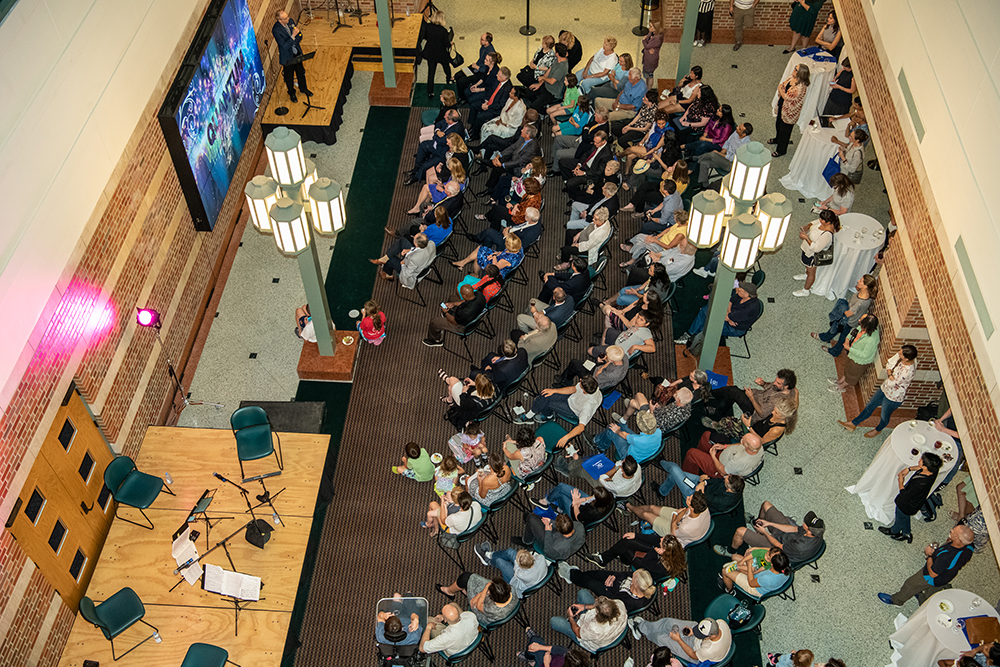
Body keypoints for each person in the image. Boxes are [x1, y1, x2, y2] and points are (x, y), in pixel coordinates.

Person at [877, 524, 975, 606]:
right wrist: (950, 542)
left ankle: (896, 600)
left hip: (931, 577)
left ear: (958, 540)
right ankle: (923, 600)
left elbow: (932, 573)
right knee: (931, 594)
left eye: (954, 531)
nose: (951, 530)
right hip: (945, 577)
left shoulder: (946, 557)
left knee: (910, 585)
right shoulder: (969, 547)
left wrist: (929, 555)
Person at [838, 344, 918, 437]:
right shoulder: (909, 357)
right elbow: (890, 363)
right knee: (869, 406)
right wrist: (890, 373)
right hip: (884, 388)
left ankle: (878, 430)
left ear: (907, 359)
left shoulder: (907, 372)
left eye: (901, 354)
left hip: (893, 398)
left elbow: (892, 384)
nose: (898, 353)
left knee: (884, 417)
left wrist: (890, 375)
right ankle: (853, 424)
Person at [718, 502, 825, 565]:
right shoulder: (815, 532)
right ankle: (757, 526)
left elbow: (779, 546)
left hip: (780, 551)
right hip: (788, 538)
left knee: (740, 531)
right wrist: (769, 523)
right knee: (766, 505)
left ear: (810, 531)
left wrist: (765, 533)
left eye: (806, 523)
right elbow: (794, 529)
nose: (803, 523)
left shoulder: (801, 546)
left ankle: (730, 551)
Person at [515, 377, 603, 450]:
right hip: (571, 398)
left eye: (581, 385)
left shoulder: (588, 405)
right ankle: (546, 416)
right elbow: (573, 389)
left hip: (572, 410)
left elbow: (581, 427)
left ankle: (534, 416)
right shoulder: (591, 384)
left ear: (585, 392)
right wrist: (554, 391)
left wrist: (566, 438)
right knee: (546, 394)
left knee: (546, 403)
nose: (579, 381)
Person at [878, 452, 943, 543]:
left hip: (906, 504)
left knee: (900, 517)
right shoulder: (933, 470)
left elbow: (904, 494)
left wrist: (900, 481)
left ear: (925, 466)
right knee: (905, 516)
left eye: (921, 460)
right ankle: (906, 533)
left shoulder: (921, 484)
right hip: (915, 504)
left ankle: (894, 531)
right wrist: (909, 469)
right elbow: (920, 467)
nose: (919, 460)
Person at [675, 281, 761, 346]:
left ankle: (693, 338)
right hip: (731, 319)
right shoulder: (741, 295)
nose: (738, 290)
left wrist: (728, 317)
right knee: (706, 310)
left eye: (741, 290)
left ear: (746, 294)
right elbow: (730, 301)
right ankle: (691, 334)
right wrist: (729, 315)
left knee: (709, 326)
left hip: (735, 329)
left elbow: (725, 317)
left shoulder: (749, 309)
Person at [586, 532, 687, 584]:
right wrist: (636, 535)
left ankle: (605, 559)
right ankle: (607, 559)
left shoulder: (664, 566)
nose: (660, 538)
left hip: (647, 570)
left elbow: (646, 563)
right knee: (627, 541)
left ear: (664, 550)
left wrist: (654, 552)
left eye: (662, 540)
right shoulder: (673, 548)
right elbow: (653, 539)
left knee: (625, 549)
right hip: (654, 555)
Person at [812, 274, 876, 356]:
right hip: (850, 319)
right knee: (835, 328)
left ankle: (834, 351)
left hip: (849, 322)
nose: (858, 281)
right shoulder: (865, 294)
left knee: (842, 337)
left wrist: (842, 307)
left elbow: (848, 313)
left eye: (861, 281)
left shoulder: (860, 303)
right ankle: (825, 338)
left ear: (866, 286)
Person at [558, 564, 656, 615]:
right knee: (596, 574)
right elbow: (625, 574)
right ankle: (577, 574)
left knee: (591, 583)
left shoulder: (631, 601)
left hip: (609, 594)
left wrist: (607, 588)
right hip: (615, 581)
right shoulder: (641, 580)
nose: (632, 574)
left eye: (633, 577)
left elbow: (613, 603)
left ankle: (571, 575)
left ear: (635, 584)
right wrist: (615, 576)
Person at [632, 617, 732, 665]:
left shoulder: (709, 649)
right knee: (669, 623)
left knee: (661, 638)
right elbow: (703, 631)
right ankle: (644, 626)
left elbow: (693, 655)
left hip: (695, 653)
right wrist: (694, 632)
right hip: (701, 643)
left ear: (710, 636)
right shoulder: (720, 623)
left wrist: (679, 640)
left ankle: (641, 630)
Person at [628, 490, 711, 546]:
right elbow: (685, 510)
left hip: (675, 534)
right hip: (680, 519)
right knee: (652, 508)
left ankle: (629, 507)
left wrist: (675, 516)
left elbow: (673, 532)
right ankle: (633, 508)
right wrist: (678, 515)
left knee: (646, 514)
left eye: (689, 499)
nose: (688, 496)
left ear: (692, 507)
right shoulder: (702, 506)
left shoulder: (686, 527)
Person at [550, 594, 627, 653]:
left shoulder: (594, 628)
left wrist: (570, 617)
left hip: (592, 639)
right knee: (583, 593)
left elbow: (578, 632)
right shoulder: (619, 604)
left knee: (554, 621)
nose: (596, 599)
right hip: (615, 630)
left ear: (597, 613)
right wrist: (584, 607)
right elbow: (603, 608)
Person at [436, 574, 516, 626]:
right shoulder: (512, 590)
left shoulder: (491, 608)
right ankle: (465, 589)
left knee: (465, 578)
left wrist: (485, 589)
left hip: (485, 616)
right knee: (468, 579)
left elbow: (477, 605)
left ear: (490, 595)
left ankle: (450, 591)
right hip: (506, 609)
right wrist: (481, 593)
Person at [423, 283, 487, 348]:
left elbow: (454, 321)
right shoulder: (479, 295)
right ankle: (448, 315)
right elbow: (465, 301)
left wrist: (446, 313)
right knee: (452, 298)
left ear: (464, 295)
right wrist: (453, 304)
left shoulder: (463, 313)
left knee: (435, 321)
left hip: (462, 326)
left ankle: (435, 340)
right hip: (474, 313)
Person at [474, 545, 549, 599]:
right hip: (536, 574)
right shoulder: (541, 558)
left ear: (520, 565)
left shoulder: (521, 574)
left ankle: (488, 560)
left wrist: (517, 561)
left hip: (517, 582)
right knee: (511, 552)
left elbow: (515, 572)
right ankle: (491, 555)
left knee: (500, 562)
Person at [792, 209, 839, 297]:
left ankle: (806, 290)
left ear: (828, 222)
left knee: (811, 271)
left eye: (822, 219)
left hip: (812, 255)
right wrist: (807, 226)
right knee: (807, 267)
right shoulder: (823, 222)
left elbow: (816, 248)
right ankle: (806, 274)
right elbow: (814, 222)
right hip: (807, 250)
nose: (820, 220)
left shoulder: (827, 235)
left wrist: (806, 238)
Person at [594, 402, 661, 462]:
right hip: (645, 451)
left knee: (611, 429)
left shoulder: (637, 439)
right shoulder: (658, 431)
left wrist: (617, 430)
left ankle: (599, 445)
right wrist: (652, 411)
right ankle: (620, 425)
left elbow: (624, 435)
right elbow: (651, 422)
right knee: (621, 426)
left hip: (629, 456)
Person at [682, 432, 764, 479]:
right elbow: (740, 445)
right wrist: (724, 446)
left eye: (743, 440)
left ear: (748, 446)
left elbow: (723, 471)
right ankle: (701, 460)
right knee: (706, 436)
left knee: (691, 453)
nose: (741, 439)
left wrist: (713, 456)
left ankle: (689, 477)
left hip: (719, 469)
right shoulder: (758, 447)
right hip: (724, 456)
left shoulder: (740, 461)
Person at [695, 121, 753, 188]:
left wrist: (719, 154)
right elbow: (728, 142)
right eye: (738, 126)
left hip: (731, 164)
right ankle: (705, 186)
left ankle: (696, 158)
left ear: (744, 135)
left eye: (739, 129)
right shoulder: (736, 133)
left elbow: (733, 158)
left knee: (713, 154)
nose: (737, 128)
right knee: (704, 163)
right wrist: (722, 151)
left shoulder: (745, 145)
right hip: (724, 158)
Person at [272, 11, 311, 103]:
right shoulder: (276, 30)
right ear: (279, 20)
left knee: (300, 71)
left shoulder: (291, 22)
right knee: (289, 76)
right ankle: (292, 93)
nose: (288, 19)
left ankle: (303, 88)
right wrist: (293, 36)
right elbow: (284, 46)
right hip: (287, 57)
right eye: (285, 18)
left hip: (296, 52)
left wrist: (294, 39)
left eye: (287, 17)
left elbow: (300, 35)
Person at [771, 64, 810, 157]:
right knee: (779, 124)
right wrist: (781, 89)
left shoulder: (800, 87)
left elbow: (787, 97)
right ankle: (777, 139)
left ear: (800, 73)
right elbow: (783, 85)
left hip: (790, 112)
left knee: (785, 131)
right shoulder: (791, 78)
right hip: (782, 105)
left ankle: (781, 150)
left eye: (796, 69)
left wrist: (780, 89)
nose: (793, 70)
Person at [370, 232, 436, 286]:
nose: (412, 237)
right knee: (403, 241)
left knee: (390, 260)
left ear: (415, 244)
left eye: (414, 238)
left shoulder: (414, 259)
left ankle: (388, 274)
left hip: (410, 272)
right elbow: (420, 250)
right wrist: (410, 250)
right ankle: (386, 258)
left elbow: (407, 274)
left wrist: (403, 265)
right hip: (424, 259)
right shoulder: (431, 243)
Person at [720, 546, 791, 596]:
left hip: (754, 587)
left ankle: (730, 590)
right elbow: (772, 550)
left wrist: (750, 565)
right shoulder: (784, 565)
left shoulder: (767, 578)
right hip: (758, 575)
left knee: (724, 571)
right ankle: (737, 569)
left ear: (771, 564)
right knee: (735, 557)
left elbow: (751, 583)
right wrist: (755, 548)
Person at [531, 485, 616, 526]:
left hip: (577, 514)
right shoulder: (608, 496)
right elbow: (591, 497)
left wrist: (575, 502)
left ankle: (560, 510)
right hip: (584, 504)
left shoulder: (591, 511)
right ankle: (546, 501)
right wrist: (581, 500)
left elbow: (578, 517)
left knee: (562, 495)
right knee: (561, 487)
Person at [517, 512, 586, 561]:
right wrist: (551, 522)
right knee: (537, 518)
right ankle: (529, 520)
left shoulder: (557, 547)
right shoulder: (579, 526)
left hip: (550, 545)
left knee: (531, 518)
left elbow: (547, 552)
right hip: (570, 543)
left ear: (558, 530)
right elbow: (565, 526)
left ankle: (527, 541)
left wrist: (548, 531)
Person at [452, 234, 524, 280]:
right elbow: (504, 252)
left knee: (478, 257)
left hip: (497, 269)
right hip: (499, 258)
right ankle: (463, 264)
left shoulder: (507, 260)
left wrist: (494, 256)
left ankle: (473, 273)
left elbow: (495, 267)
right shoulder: (518, 247)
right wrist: (497, 253)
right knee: (480, 249)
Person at [420, 11, 452, 99]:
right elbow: (446, 44)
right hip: (441, 53)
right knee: (446, 65)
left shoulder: (428, 27)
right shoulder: (443, 31)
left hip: (430, 53)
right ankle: (449, 78)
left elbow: (425, 37)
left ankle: (430, 92)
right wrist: (451, 43)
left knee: (431, 72)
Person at [528, 43, 570, 112]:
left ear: (557, 53)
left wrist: (542, 78)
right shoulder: (557, 60)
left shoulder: (561, 68)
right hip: (546, 86)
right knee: (529, 92)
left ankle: (545, 112)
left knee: (534, 107)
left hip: (552, 92)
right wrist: (539, 84)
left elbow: (552, 81)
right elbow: (549, 70)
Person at [521, 637, 592, 667]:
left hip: (547, 664)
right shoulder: (580, 662)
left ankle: (530, 658)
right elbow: (561, 650)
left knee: (535, 641)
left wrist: (546, 663)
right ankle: (532, 659)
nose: (568, 652)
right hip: (552, 659)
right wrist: (541, 647)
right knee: (535, 644)